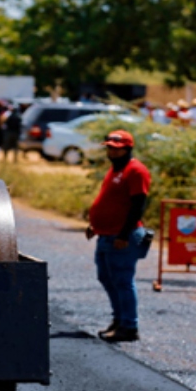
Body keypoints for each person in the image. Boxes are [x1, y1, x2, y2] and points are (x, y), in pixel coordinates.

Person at [85, 130, 152, 343]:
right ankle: (119, 319)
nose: (112, 152)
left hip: (122, 237)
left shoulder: (135, 171)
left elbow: (138, 205)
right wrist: (95, 225)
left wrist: (123, 235)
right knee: (106, 278)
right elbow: (110, 201)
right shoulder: (114, 171)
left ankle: (129, 326)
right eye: (109, 148)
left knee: (122, 281)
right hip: (106, 234)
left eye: (116, 149)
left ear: (127, 148)